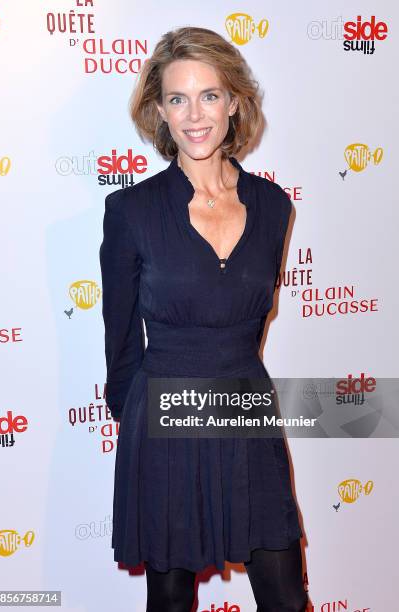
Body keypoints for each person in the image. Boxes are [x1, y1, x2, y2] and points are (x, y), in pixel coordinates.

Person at [99, 26, 308, 612]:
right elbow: (120, 346)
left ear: (235, 101)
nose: (195, 115)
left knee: (286, 596)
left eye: (210, 95)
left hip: (245, 411)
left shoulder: (272, 206)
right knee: (170, 601)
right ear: (159, 112)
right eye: (177, 99)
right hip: (165, 418)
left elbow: (253, 327)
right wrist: (144, 423)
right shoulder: (131, 210)